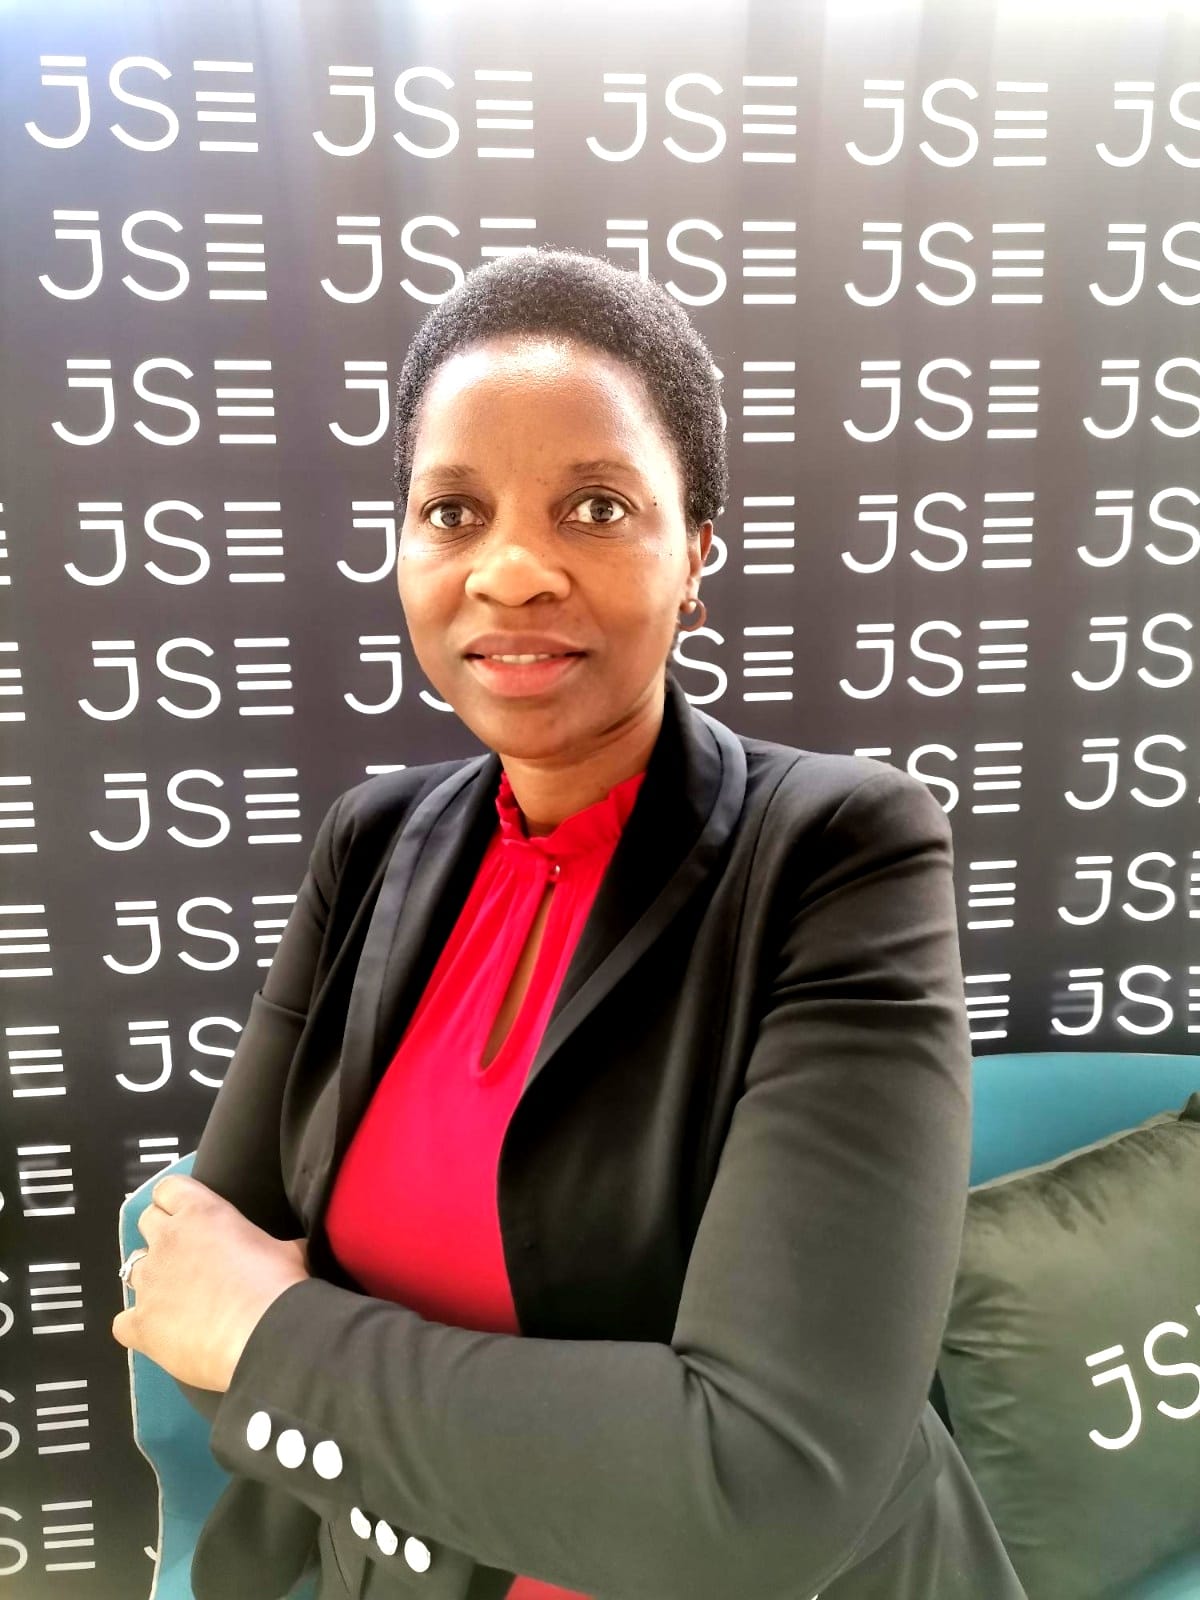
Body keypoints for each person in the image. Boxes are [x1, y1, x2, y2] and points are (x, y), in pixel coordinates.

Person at [114, 247, 1028, 1599]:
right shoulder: (368, 844)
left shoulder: (837, 851)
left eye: (596, 507)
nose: (513, 571)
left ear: (696, 551)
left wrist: (277, 1336)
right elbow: (190, 1287)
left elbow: (759, 1491)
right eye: (453, 511)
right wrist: (271, 1341)